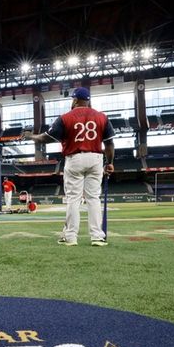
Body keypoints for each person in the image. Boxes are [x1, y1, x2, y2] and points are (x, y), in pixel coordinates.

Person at [28, 87, 114, 246]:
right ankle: (97, 236)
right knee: (93, 198)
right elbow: (109, 143)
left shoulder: (66, 117)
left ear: (74, 100)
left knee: (73, 199)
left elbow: (46, 138)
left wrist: (32, 136)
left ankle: (71, 237)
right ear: (87, 100)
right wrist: (109, 163)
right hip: (96, 158)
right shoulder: (102, 117)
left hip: (75, 158)